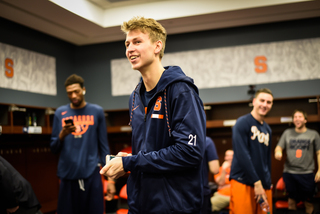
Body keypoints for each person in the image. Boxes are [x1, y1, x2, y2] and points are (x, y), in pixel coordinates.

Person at [100, 16, 207, 214]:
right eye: (127, 44)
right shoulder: (135, 96)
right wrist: (130, 159)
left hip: (174, 206)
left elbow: (189, 152)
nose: (129, 49)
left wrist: (130, 162)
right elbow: (150, 151)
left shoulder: (181, 91)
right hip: (139, 205)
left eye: (137, 42)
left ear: (157, 46)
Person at [50, 74, 115, 214]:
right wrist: (62, 135)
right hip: (67, 175)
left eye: (76, 91)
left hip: (92, 174)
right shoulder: (60, 113)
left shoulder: (96, 111)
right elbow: (53, 148)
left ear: (83, 90)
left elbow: (104, 147)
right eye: (69, 93)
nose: (73, 95)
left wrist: (110, 180)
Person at [229, 88, 274, 214]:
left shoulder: (267, 129)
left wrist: (267, 181)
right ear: (254, 101)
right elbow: (242, 154)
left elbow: (266, 159)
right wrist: (256, 182)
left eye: (269, 102)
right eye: (262, 100)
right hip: (243, 181)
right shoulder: (242, 123)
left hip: (263, 185)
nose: (265, 105)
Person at [274, 109, 320, 214]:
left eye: (300, 116)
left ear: (305, 120)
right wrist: (278, 152)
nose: (297, 119)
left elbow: (319, 153)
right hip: (290, 173)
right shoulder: (287, 133)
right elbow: (278, 147)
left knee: (308, 202)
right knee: (291, 201)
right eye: (295, 117)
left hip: (307, 173)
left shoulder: (313, 134)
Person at [202, 136, 220, 214]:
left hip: (178, 193)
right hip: (201, 191)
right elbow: (215, 169)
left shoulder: (176, 140)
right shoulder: (206, 141)